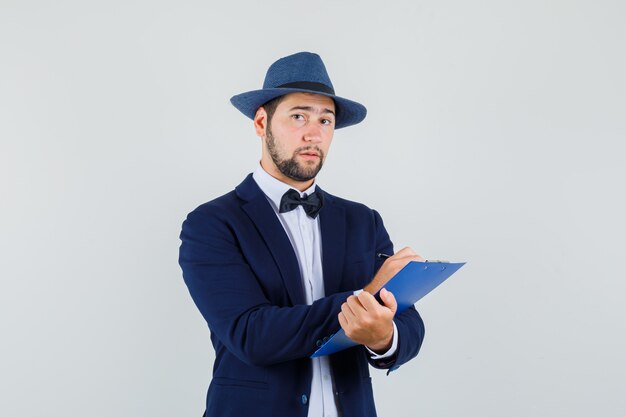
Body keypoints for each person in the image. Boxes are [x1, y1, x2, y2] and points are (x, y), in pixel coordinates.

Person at [178, 52, 426, 417]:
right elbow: (252, 335)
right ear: (261, 122)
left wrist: (384, 338)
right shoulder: (212, 223)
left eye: (326, 120)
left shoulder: (363, 220)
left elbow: (408, 324)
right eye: (299, 116)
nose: (314, 133)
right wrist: (367, 296)